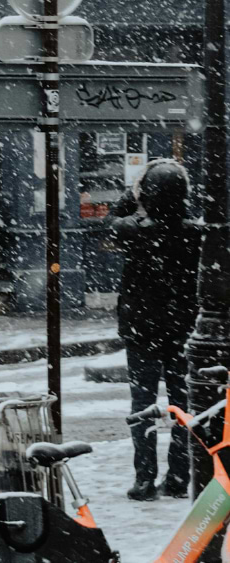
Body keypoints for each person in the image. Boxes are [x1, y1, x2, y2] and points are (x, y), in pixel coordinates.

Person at [110, 158, 200, 501]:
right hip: (182, 329)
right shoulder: (195, 232)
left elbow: (111, 221)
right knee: (184, 405)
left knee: (142, 403)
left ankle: (145, 479)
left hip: (142, 329)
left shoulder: (134, 230)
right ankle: (179, 476)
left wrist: (132, 195)